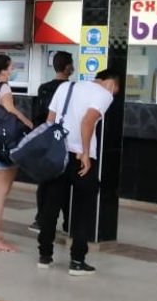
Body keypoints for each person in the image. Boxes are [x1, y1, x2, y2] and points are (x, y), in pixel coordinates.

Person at [36, 68, 120, 276]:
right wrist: (84, 153)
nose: (114, 93)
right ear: (111, 83)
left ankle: (45, 255)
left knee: (51, 203)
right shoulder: (104, 94)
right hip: (80, 157)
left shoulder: (66, 86)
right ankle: (77, 261)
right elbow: (88, 121)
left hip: (58, 153)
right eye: (116, 89)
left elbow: (50, 120)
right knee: (84, 207)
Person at [0, 54, 33, 253]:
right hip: (2, 147)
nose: (12, 71)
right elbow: (11, 110)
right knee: (0, 195)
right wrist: (29, 125)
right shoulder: (4, 87)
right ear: (3, 70)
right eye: (11, 67)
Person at [29, 51, 72, 234]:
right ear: (68, 67)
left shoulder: (43, 88)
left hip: (45, 141)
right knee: (66, 183)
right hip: (66, 141)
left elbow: (37, 116)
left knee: (45, 182)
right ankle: (68, 222)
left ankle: (41, 219)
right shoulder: (72, 88)